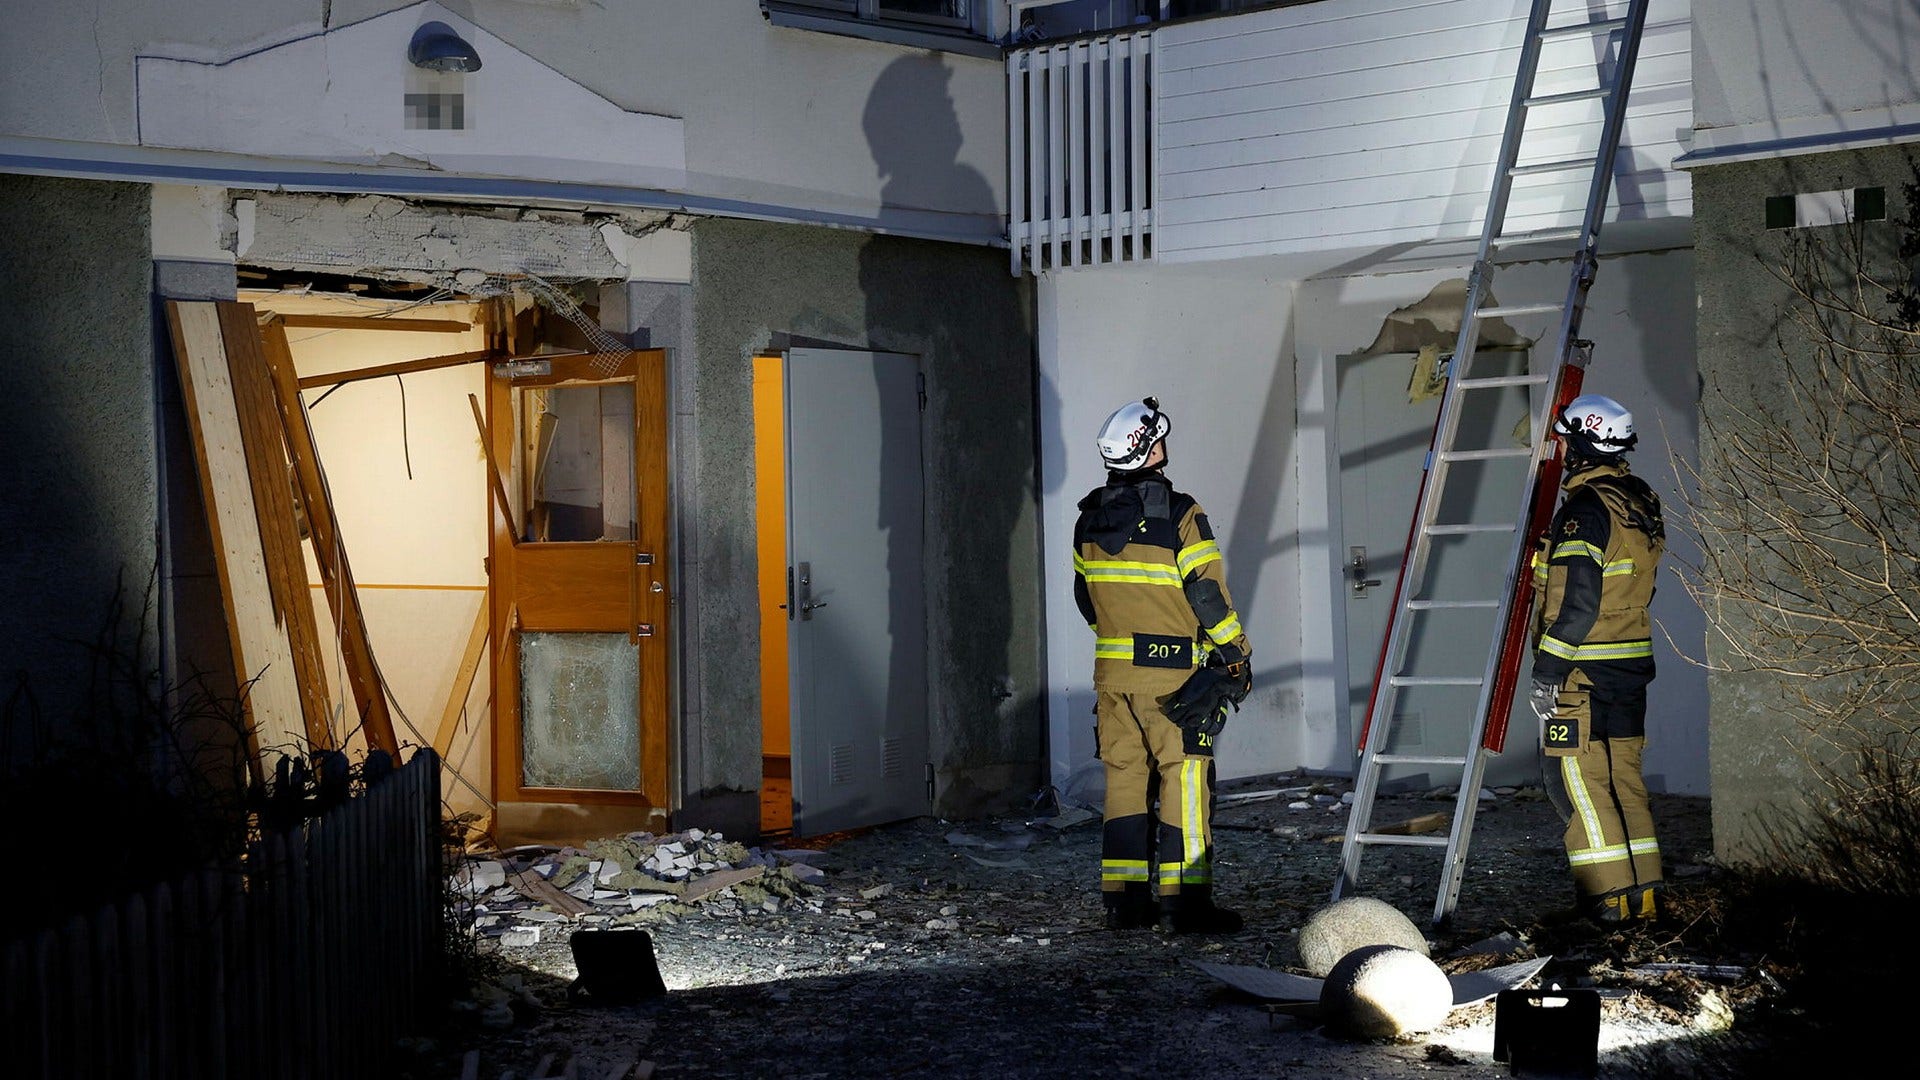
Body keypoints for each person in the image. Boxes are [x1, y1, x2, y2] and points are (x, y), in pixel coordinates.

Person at [1073, 397, 1252, 934]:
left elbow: (1087, 601)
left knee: (1125, 779)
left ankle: (1124, 905)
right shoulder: (1180, 513)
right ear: (1149, 449)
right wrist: (1235, 653)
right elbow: (1207, 596)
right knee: (1185, 779)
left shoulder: (1088, 519)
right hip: (1174, 678)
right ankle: (1186, 905)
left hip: (1112, 679)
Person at [1528, 393, 1666, 924]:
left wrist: (1547, 672)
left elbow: (1578, 605)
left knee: (1578, 783)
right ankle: (1645, 898)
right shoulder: (1638, 501)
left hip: (1581, 673)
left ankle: (1607, 902)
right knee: (1626, 782)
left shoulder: (1584, 513)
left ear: (1582, 446)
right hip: (1630, 668)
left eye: (1566, 442)